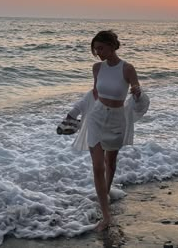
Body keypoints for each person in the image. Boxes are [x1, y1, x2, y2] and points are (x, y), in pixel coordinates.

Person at [58, 30, 147, 232]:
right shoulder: (97, 68)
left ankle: (105, 192)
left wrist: (137, 92)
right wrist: (73, 113)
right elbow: (93, 94)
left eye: (101, 48)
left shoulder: (128, 68)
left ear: (112, 45)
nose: (97, 52)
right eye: (95, 49)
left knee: (111, 162)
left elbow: (136, 90)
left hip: (116, 121)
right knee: (98, 167)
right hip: (96, 118)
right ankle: (106, 215)